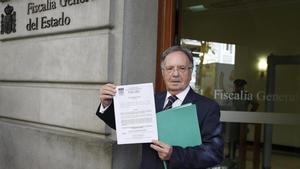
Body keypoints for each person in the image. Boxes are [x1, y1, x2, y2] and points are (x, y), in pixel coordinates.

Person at [96, 46, 224, 169]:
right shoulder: (149, 100)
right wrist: (106, 105)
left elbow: (213, 153)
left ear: (191, 71)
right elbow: (125, 124)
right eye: (169, 68)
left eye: (182, 68)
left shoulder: (207, 107)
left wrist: (174, 154)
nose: (175, 74)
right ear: (162, 72)